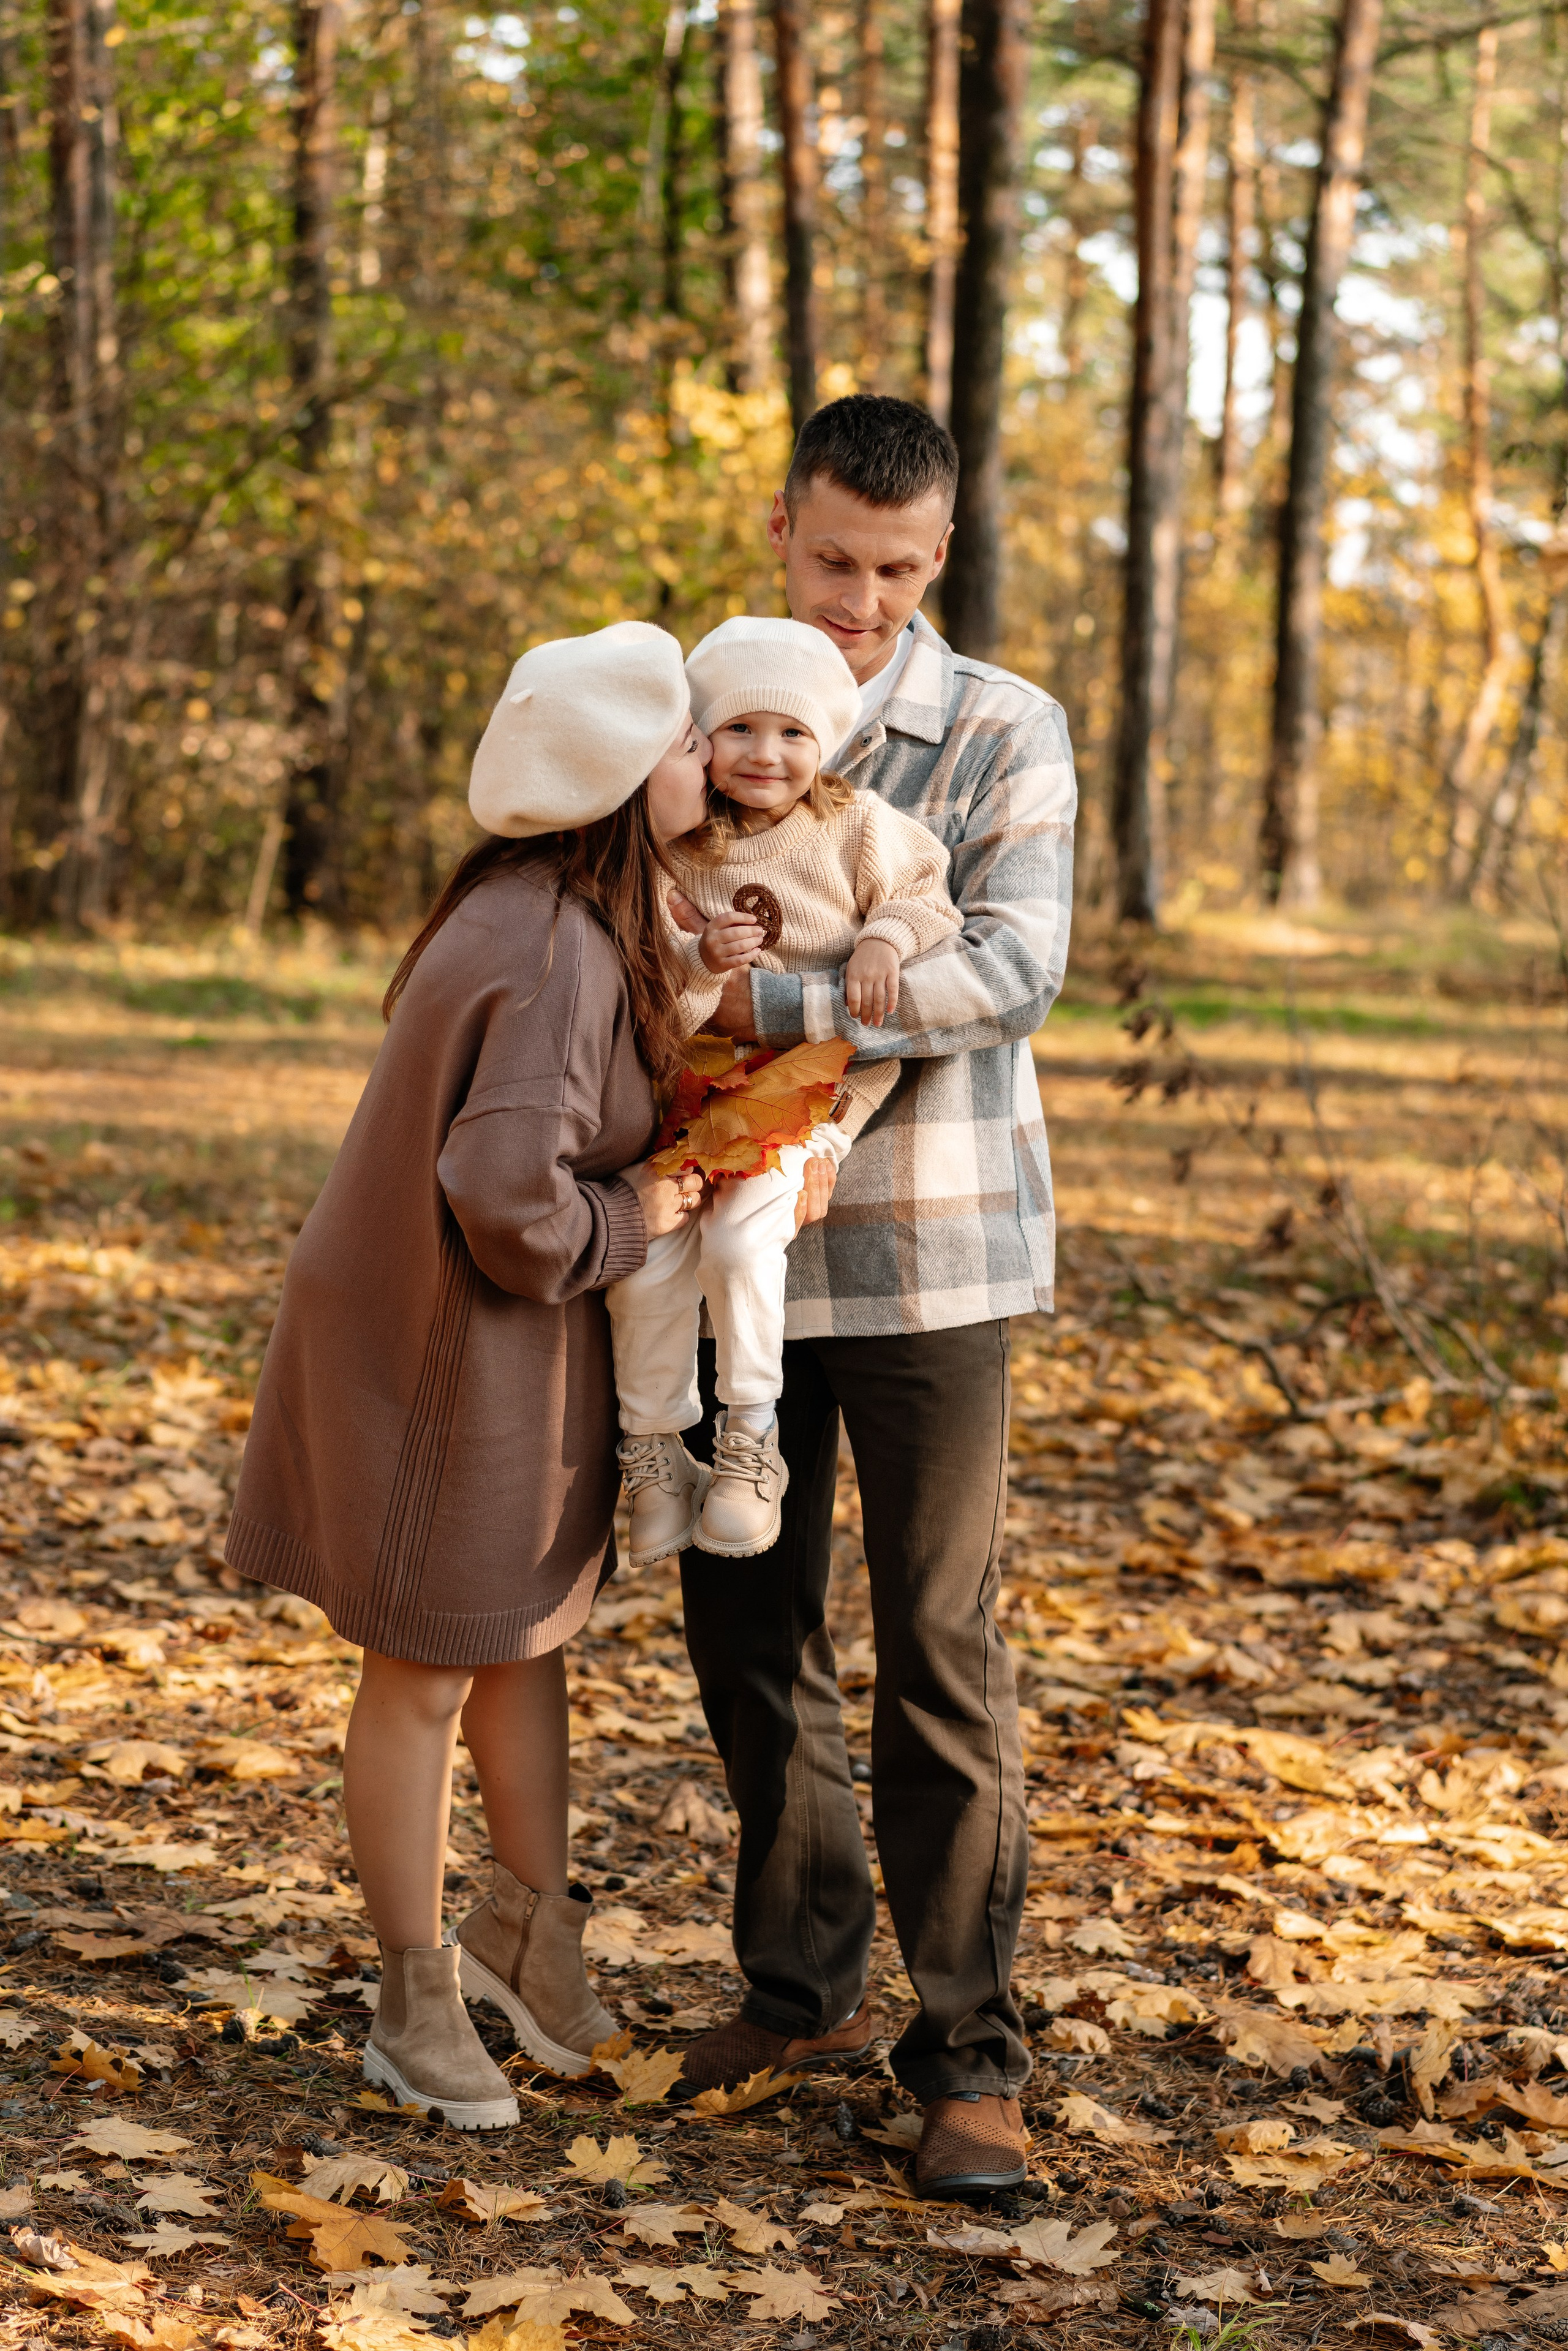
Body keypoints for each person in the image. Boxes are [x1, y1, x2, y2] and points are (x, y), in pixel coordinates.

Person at [225, 621, 718, 2129]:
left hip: (484, 1336)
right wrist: (643, 1214)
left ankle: (527, 1928)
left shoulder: (550, 908)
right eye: (693, 739)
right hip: (432, 1340)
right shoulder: (553, 943)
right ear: (626, 781)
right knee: (429, 1660)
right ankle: (411, 1992)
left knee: (523, 1630)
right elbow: (511, 1196)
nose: (718, 759)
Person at [675, 396, 1078, 2198]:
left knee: (939, 1644)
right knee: (751, 1628)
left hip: (934, 1242)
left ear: (942, 559)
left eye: (900, 570)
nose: (861, 600)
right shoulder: (690, 711)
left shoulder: (1004, 727)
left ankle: (973, 2051)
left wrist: (778, 1009)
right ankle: (801, 1983)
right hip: (717, 1234)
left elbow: (1011, 965)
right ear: (783, 527)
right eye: (834, 557)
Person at [605, 614, 960, 1564]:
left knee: (738, 1236)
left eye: (794, 732)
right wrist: (695, 956)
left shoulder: (851, 826)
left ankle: (749, 1436)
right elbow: (651, 966)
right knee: (645, 1260)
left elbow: (930, 890)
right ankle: (652, 1447)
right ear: (701, 739)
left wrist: (884, 938)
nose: (767, 753)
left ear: (826, 741)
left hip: (810, 1082)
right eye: (740, 730)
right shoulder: (682, 842)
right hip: (696, 1083)